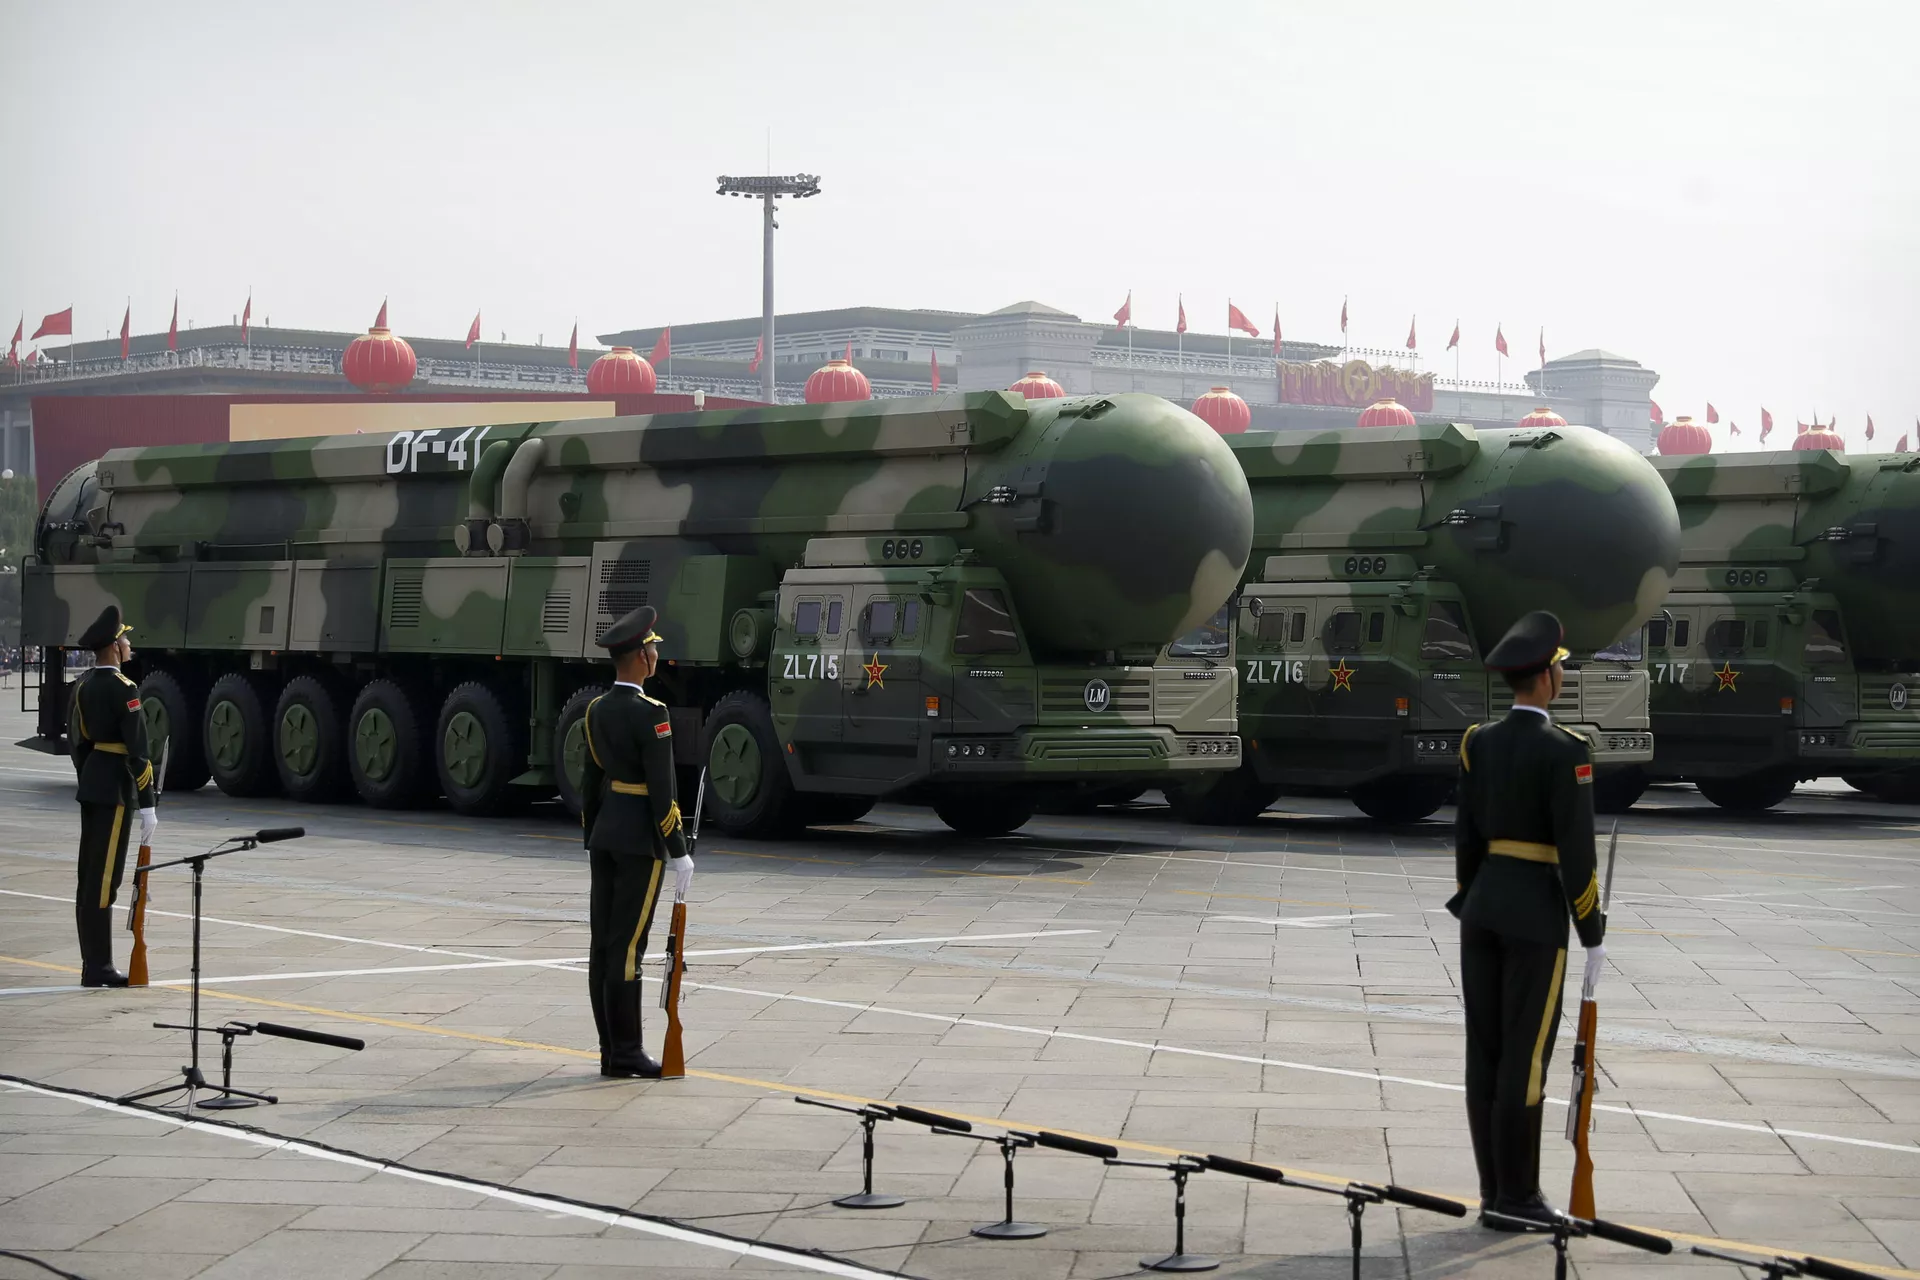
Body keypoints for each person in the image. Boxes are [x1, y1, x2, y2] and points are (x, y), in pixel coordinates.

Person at [1449, 610, 1606, 1228]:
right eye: (1560, 668)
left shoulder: (1477, 742)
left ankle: (1494, 1190)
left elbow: (1465, 839)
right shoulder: (1566, 750)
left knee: (1483, 1052)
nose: (1561, 677)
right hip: (1536, 918)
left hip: (1481, 908)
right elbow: (1576, 851)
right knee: (1527, 1055)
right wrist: (1591, 931)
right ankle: (1518, 1197)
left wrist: (1472, 897)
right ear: (1543, 679)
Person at [579, 604, 695, 1078]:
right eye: (652, 648)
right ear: (642, 659)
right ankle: (626, 1052)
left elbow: (590, 783)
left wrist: (593, 833)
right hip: (639, 842)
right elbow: (662, 792)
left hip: (604, 835)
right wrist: (679, 849)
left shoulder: (595, 710)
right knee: (628, 948)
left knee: (602, 946)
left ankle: (610, 1049)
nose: (655, 655)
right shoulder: (653, 713)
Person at [68, 605, 158, 988]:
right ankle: (99, 967)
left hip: (93, 784)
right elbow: (138, 751)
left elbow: (80, 743)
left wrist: (91, 776)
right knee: (105, 878)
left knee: (89, 875)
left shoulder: (84, 686)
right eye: (124, 639)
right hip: (116, 791)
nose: (129, 644)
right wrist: (148, 805)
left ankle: (94, 962)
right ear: (113, 648)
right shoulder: (126, 689)